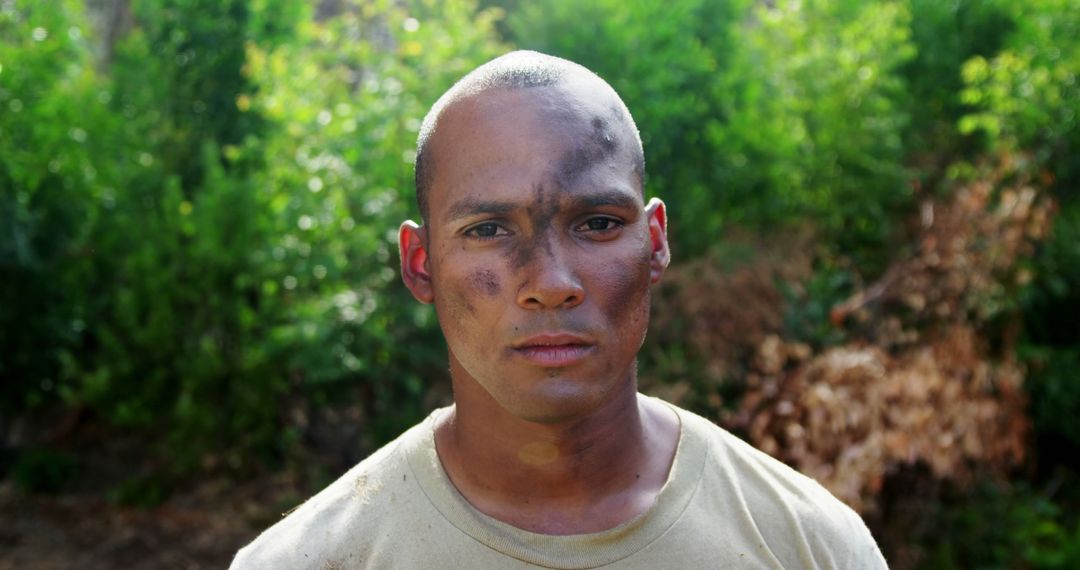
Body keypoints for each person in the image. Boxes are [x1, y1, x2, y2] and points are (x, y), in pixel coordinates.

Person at [231, 50, 887, 569]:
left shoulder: (811, 547)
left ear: (654, 243)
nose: (549, 282)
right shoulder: (311, 560)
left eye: (598, 223)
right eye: (488, 230)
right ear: (420, 263)